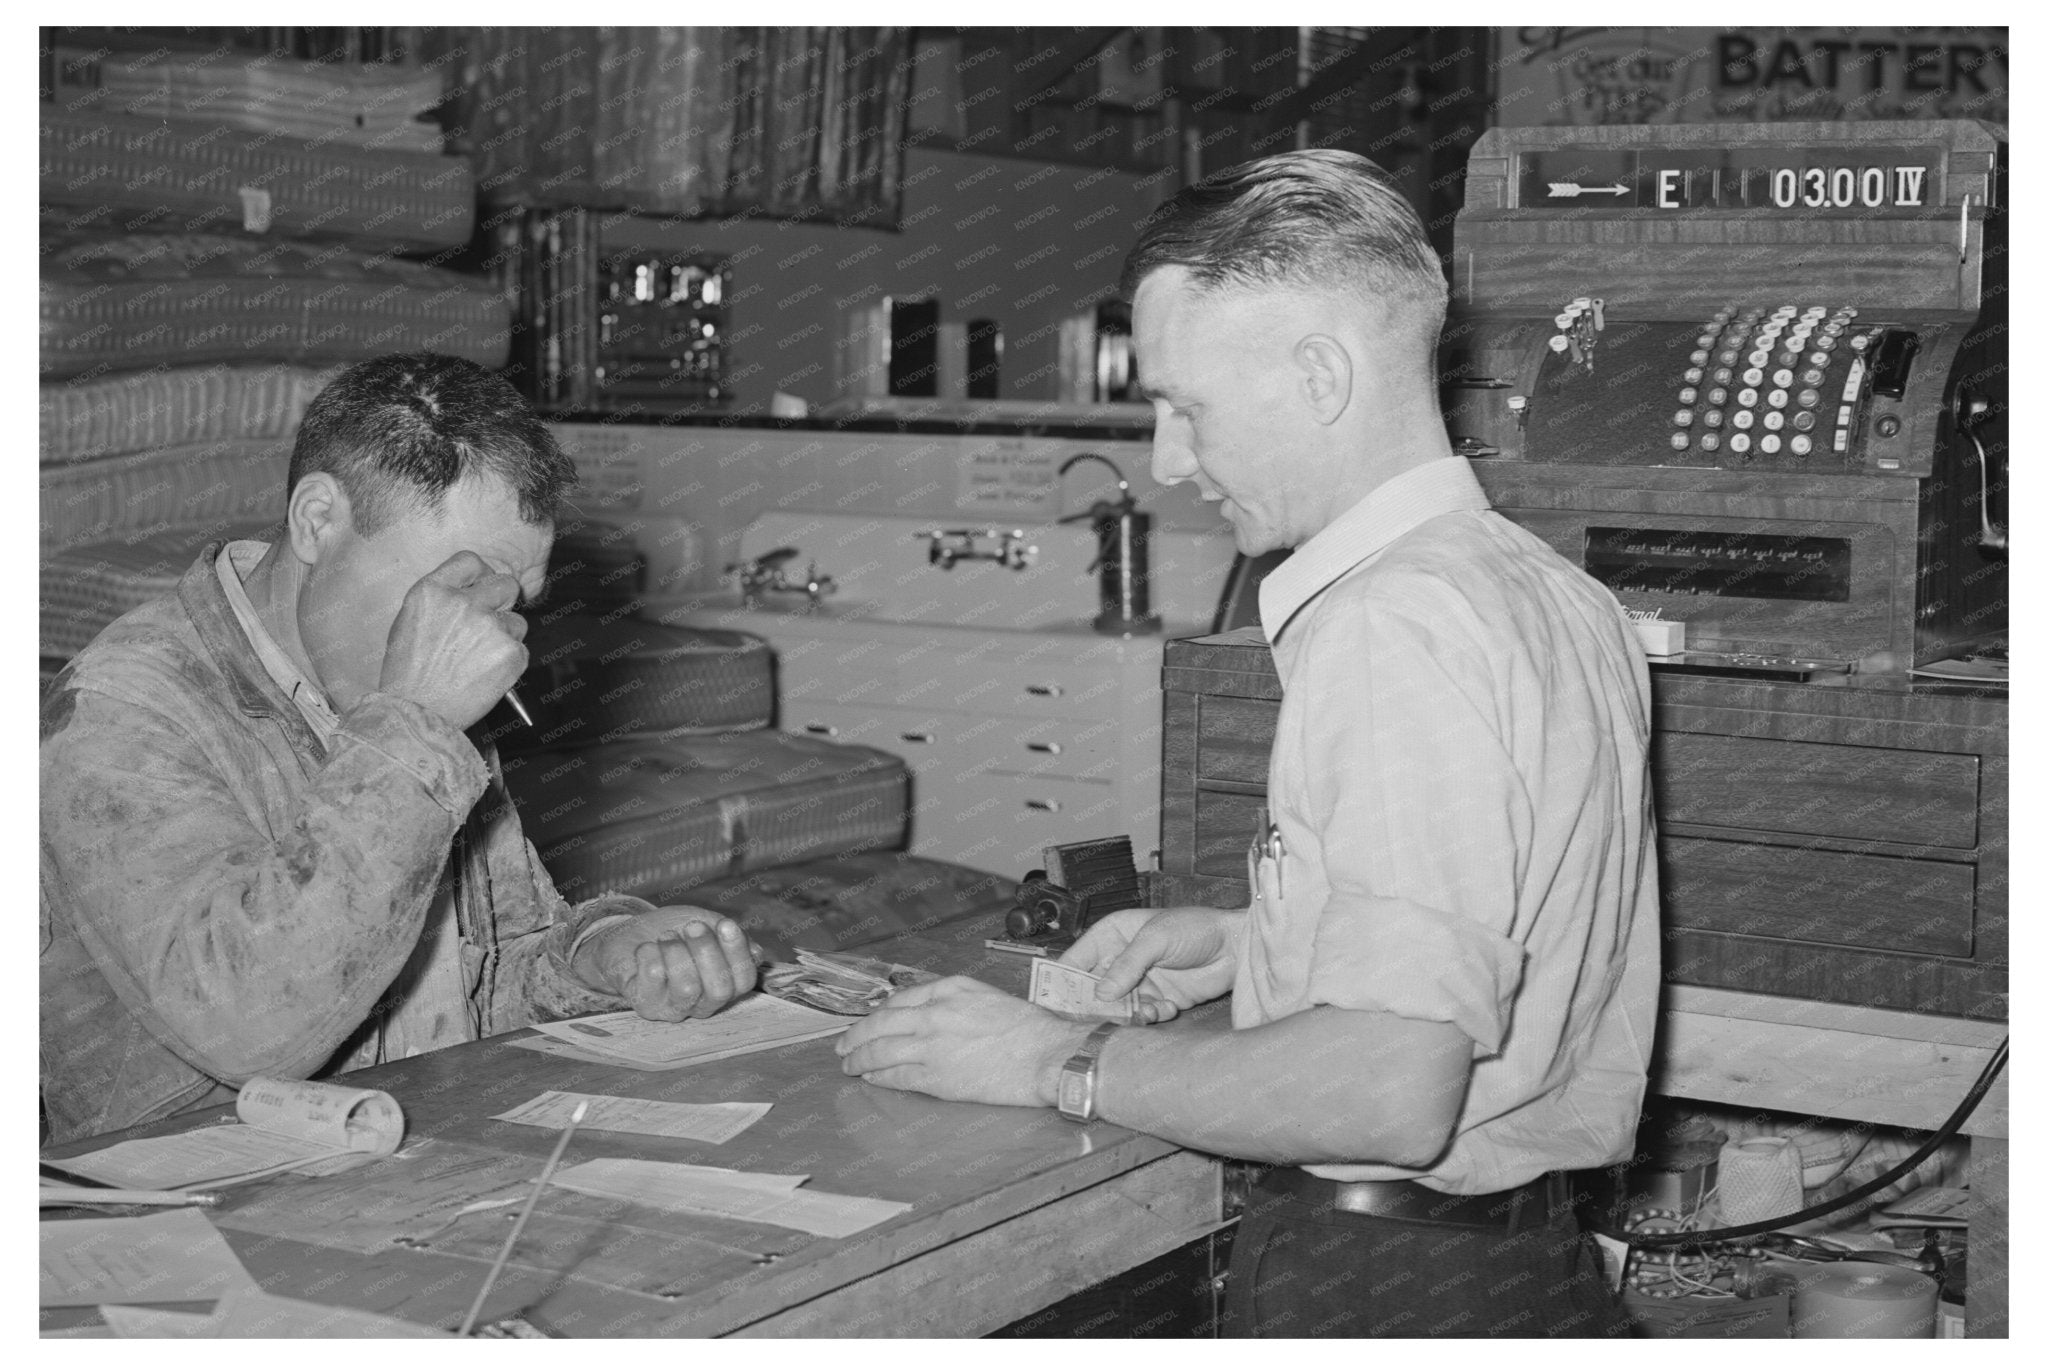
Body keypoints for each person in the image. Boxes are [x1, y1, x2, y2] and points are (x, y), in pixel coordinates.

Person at [838, 150, 1658, 1337]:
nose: (1167, 460)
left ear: (1320, 373)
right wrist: (1255, 941)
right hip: (1515, 1268)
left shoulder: (1393, 627)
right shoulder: (1542, 589)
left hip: (1388, 1284)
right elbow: (1508, 909)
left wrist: (1049, 1056)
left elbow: (1385, 1094)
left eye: (1184, 407)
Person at [41, 353, 760, 1145]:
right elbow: (249, 1030)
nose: (493, 636)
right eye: (458, 586)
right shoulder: (124, 706)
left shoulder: (419, 688)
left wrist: (600, 954)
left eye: (514, 602)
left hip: (415, 1161)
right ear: (318, 520)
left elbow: (484, 974)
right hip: (196, 1218)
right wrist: (415, 722)